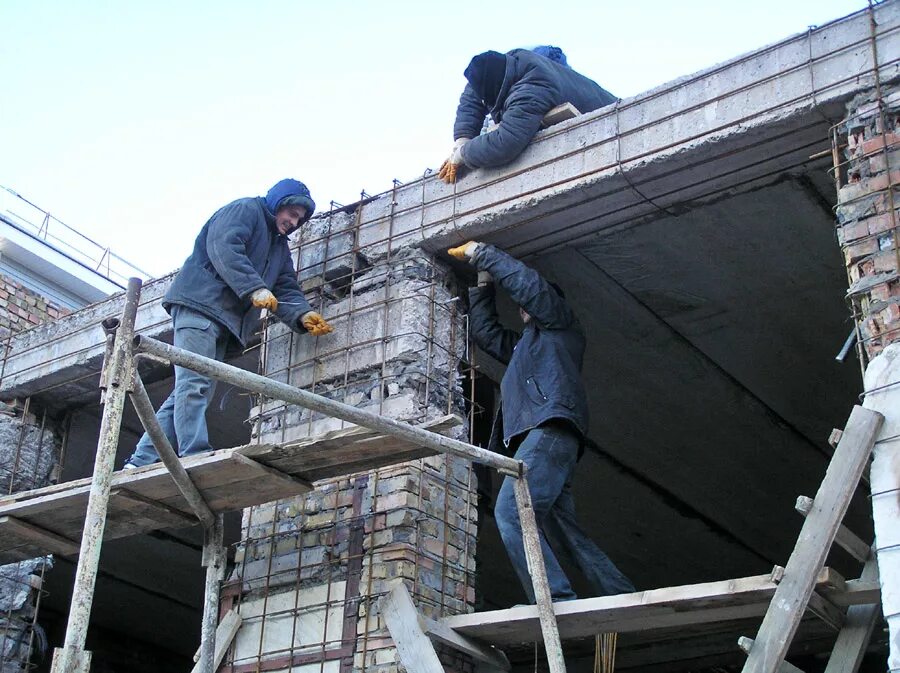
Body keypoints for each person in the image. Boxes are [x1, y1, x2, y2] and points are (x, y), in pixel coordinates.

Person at [448, 240, 634, 603]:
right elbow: (486, 334)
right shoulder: (524, 347)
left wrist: (482, 253)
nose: (522, 309)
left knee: (511, 512)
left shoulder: (561, 327)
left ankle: (554, 600)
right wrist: (483, 283)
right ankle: (619, 593)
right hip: (546, 440)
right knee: (562, 529)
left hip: (550, 431)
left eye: (527, 305)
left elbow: (529, 287)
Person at [124, 179, 333, 468]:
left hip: (226, 322)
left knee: (193, 388)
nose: (293, 222)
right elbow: (225, 247)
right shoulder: (245, 210)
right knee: (194, 383)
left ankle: (141, 460)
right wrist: (253, 288)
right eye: (291, 213)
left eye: (299, 219)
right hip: (200, 308)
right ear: (278, 203)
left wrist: (301, 314)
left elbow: (285, 287)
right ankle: (194, 454)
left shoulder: (278, 248)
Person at [438, 47, 617, 183]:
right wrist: (462, 137)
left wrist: (464, 154)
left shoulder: (533, 88)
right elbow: (474, 90)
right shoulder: (511, 61)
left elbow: (506, 142)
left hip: (612, 124)